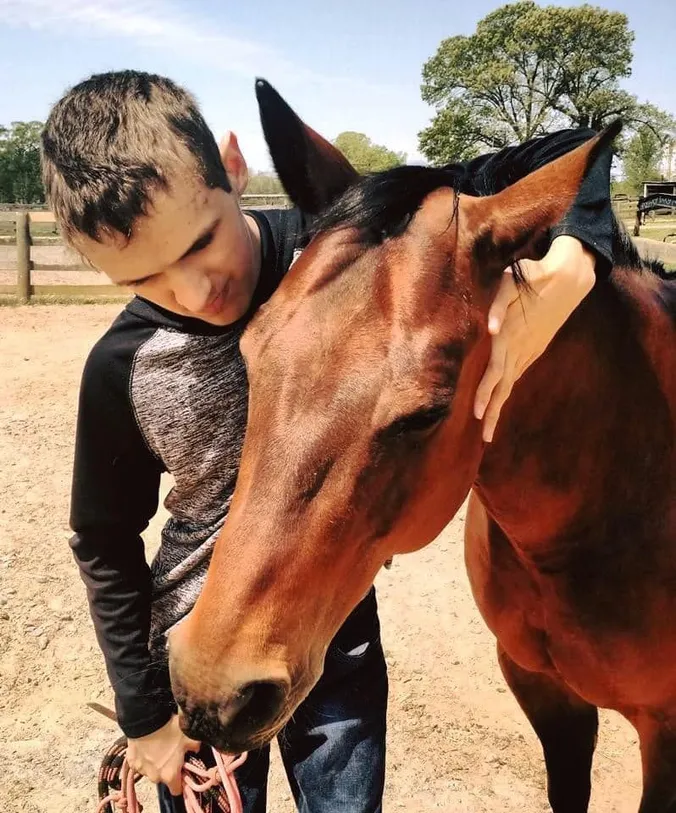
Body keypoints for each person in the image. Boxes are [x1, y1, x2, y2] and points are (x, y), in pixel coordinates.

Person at [40, 70, 613, 813]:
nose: (195, 291)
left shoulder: (337, 245)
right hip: (199, 651)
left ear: (235, 168)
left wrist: (580, 255)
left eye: (202, 243)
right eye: (145, 279)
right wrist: (143, 714)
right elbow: (103, 538)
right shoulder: (121, 370)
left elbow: (572, 150)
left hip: (334, 634)